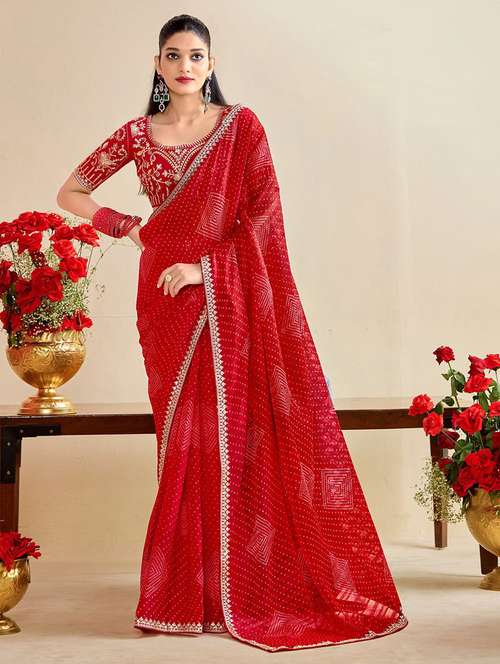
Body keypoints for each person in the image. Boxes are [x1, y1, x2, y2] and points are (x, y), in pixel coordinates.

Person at [57, 13, 408, 653]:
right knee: (182, 440)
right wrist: (128, 227)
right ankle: (186, 594)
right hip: (164, 301)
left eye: (196, 55)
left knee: (236, 435)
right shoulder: (138, 134)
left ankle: (239, 586)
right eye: (173, 55)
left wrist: (206, 269)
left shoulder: (240, 127)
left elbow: (264, 218)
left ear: (211, 64)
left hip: (222, 291)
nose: (184, 66)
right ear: (157, 65)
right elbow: (72, 191)